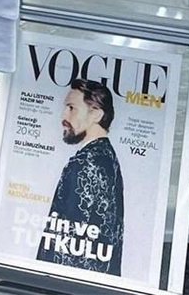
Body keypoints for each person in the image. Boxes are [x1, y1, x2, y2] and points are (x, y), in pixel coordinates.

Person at [36, 79, 125, 276]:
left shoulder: (83, 164)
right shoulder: (108, 158)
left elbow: (66, 242)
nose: (63, 115)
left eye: (71, 108)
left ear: (95, 114)